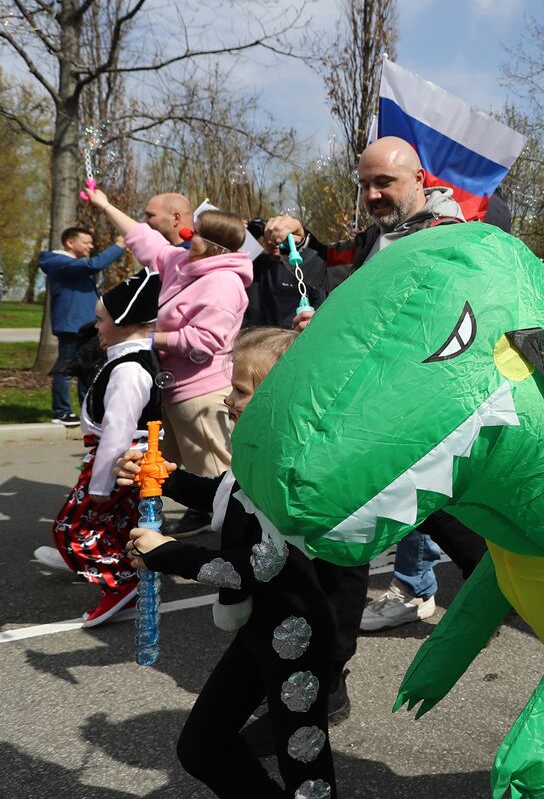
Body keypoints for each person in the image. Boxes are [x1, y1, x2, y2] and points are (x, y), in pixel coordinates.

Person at [261, 137, 489, 633]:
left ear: (420, 181)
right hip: (380, 403)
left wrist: (334, 328)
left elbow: (431, 327)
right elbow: (331, 268)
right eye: (364, 184)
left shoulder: (450, 239)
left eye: (384, 182)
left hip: (424, 404)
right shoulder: (377, 236)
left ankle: (328, 664)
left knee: (394, 503)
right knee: (417, 504)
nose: (371, 195)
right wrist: (299, 242)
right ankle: (484, 582)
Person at [121, 329, 341, 798]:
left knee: (305, 766)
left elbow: (259, 565)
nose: (228, 398)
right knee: (202, 747)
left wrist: (167, 552)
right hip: (260, 629)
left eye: (241, 389)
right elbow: (225, 495)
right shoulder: (257, 455)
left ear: (279, 397)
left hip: (297, 638)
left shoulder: (297, 470)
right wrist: (166, 477)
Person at [86, 189, 251, 537]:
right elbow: (143, 240)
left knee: (217, 479)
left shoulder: (224, 282)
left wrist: (148, 338)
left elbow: (205, 341)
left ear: (215, 243)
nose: (188, 234)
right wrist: (105, 204)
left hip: (201, 396)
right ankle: (145, 534)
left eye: (198, 232)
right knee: (170, 472)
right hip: (172, 389)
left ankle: (238, 551)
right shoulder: (181, 263)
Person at [32, 274, 160, 625]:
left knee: (69, 527)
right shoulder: (129, 357)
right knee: (119, 524)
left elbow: (118, 431)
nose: (97, 326)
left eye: (102, 319)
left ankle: (120, 583)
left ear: (122, 323)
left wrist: (101, 485)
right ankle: (118, 567)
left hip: (120, 459)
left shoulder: (130, 369)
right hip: (125, 456)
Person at [38, 226, 127, 424]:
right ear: (70, 243)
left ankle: (89, 411)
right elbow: (94, 265)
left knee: (87, 367)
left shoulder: (72, 264)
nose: (91, 246)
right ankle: (61, 412)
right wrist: (120, 245)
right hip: (71, 325)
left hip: (87, 325)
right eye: (86, 242)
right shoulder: (58, 262)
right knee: (66, 367)